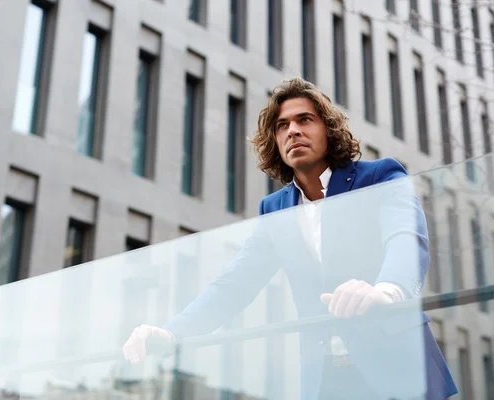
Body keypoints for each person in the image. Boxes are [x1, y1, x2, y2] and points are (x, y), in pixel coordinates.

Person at [123, 78, 457, 399]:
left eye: (305, 120)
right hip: (327, 378)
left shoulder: (380, 175)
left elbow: (406, 237)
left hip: (398, 368)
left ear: (328, 129)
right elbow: (233, 286)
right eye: (282, 125)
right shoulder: (274, 209)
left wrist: (387, 291)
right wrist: (171, 332)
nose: (293, 130)